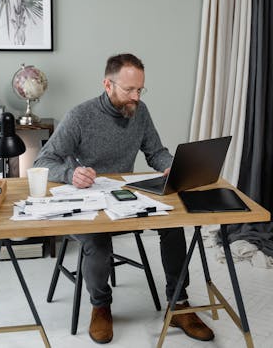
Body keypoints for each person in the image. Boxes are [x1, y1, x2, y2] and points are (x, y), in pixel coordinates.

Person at [34, 53, 214, 344]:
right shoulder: (80, 116)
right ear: (108, 84)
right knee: (97, 237)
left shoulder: (139, 112)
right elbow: (43, 162)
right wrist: (71, 174)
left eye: (140, 89)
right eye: (129, 90)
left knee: (173, 222)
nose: (136, 96)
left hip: (124, 200)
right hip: (87, 202)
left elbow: (156, 151)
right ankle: (101, 306)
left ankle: (179, 305)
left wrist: (170, 165)